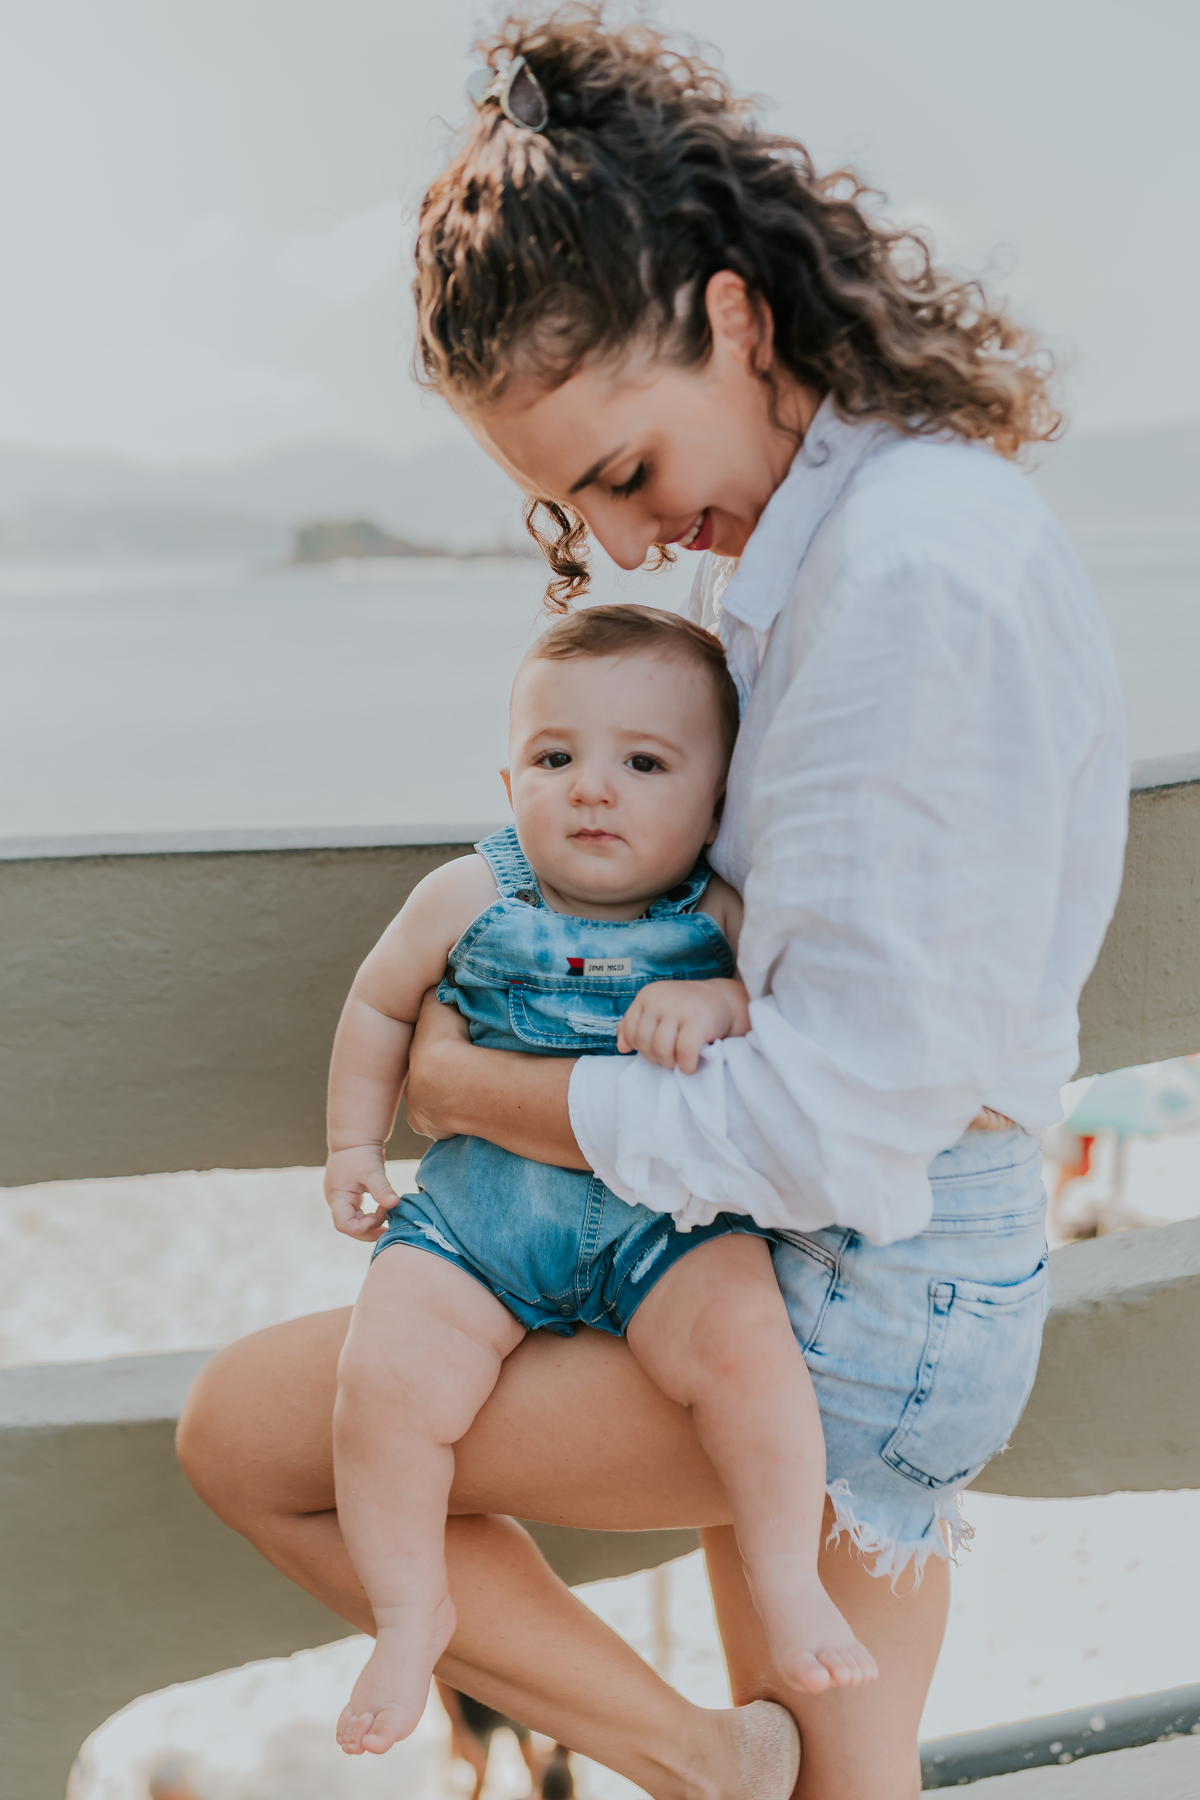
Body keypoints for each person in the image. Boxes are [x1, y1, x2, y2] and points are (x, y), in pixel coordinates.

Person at [177, 12, 1129, 1798]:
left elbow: (832, 1124)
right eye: (572, 507)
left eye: (621, 473)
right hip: (869, 1248)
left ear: (737, 317)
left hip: (863, 1280)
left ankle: (691, 1758)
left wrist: (474, 1090)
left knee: (253, 1434)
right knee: (846, 1782)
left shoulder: (907, 581)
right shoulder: (850, 533)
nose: (621, 545)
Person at [327, 606, 874, 1756]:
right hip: (477, 1225)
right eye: (554, 757)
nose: (590, 789)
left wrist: (720, 1001)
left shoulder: (721, 919)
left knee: (749, 1356)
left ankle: (786, 1578)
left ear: (717, 804)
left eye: (644, 764)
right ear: (508, 779)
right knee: (383, 1388)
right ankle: (411, 1610)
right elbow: (378, 1003)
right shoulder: (468, 894)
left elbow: (792, 1021)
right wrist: (352, 1149)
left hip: (665, 1230)